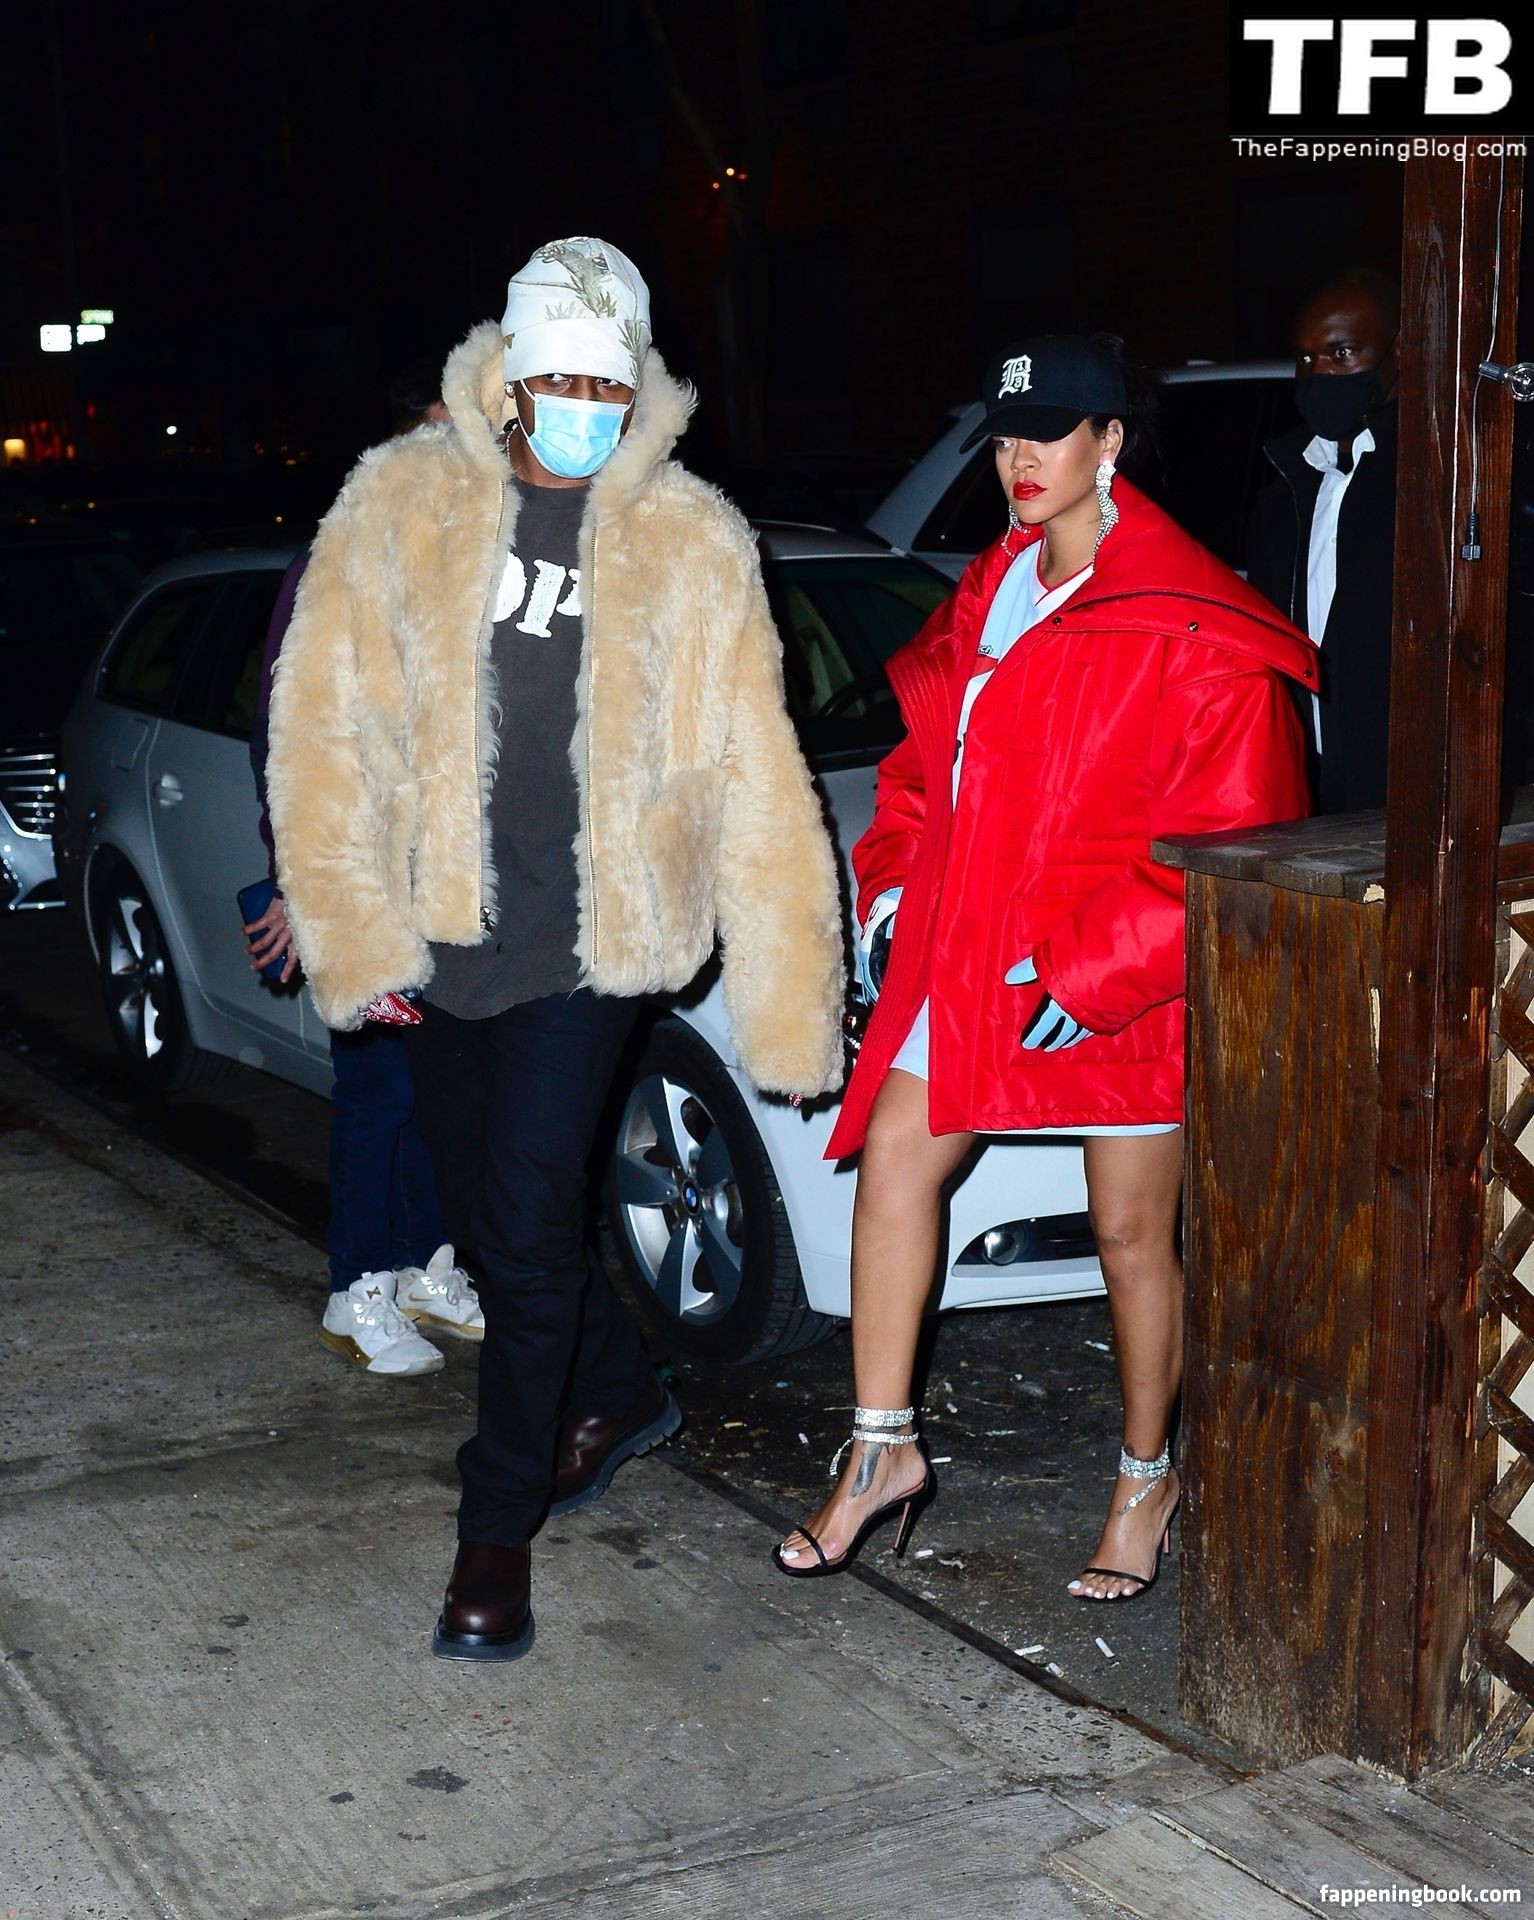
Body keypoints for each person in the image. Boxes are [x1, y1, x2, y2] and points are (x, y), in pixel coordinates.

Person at [266, 237, 844, 1661]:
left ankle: (493, 1531)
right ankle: (621, 1387)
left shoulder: (692, 536)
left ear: (638, 382)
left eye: (609, 383)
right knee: (495, 1221)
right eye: (561, 381)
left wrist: (789, 1002)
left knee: (523, 1229)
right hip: (444, 935)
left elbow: (756, 772)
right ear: (512, 378)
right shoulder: (400, 503)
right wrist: (352, 930)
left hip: (596, 945)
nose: (585, 407)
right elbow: (323, 729)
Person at [774, 335, 1314, 1602]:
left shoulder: (1191, 613)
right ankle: (881, 1452)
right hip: (973, 955)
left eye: (1052, 431)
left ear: (1110, 440)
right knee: (895, 1161)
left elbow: (1234, 836)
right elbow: (921, 767)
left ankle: (1144, 1477)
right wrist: (892, 889)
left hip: (1119, 976)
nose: (1021, 459)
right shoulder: (993, 584)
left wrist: (1092, 972)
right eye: (1006, 435)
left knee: (1130, 1232)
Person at [245, 376, 481, 1381]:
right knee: (376, 1093)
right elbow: (286, 740)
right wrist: (299, 884)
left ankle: (425, 1266)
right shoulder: (331, 570)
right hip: (357, 879)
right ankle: (356, 1289)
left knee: (435, 1092)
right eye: (432, 437)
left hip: (446, 884)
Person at [1246, 268, 1400, 813]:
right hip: (1306, 782)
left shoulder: (1433, 482)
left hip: (1401, 790)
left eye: (1342, 354)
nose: (1318, 375)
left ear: (1399, 353)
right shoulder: (1285, 485)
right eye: (1305, 358)